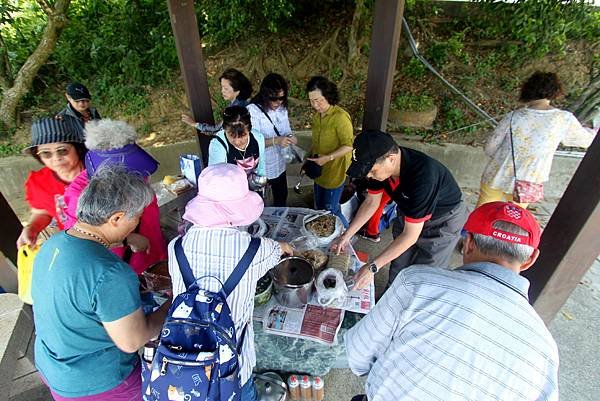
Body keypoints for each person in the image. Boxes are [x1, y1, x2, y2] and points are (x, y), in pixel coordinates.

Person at [345, 201, 559, 401]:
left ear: (468, 243)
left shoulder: (418, 283)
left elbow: (358, 354)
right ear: (531, 259)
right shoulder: (545, 349)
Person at [31, 166, 172, 400]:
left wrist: (125, 240)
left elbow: (79, 294)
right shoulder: (111, 273)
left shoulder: (52, 245)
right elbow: (133, 340)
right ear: (116, 218)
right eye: (136, 217)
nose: (136, 223)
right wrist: (173, 303)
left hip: (55, 369)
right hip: (101, 383)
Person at [168, 163, 293, 400]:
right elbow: (281, 251)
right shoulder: (256, 249)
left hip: (183, 359)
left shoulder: (175, 247)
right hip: (233, 366)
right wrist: (287, 247)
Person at [332, 130, 467, 290]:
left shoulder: (423, 177)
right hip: (409, 211)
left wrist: (373, 267)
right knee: (399, 261)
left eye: (372, 171)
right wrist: (346, 235)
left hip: (443, 219)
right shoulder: (381, 169)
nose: (368, 176)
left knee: (425, 270)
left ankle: (412, 307)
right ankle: (391, 297)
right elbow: (371, 202)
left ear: (391, 159)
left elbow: (410, 236)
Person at [477, 71, 596, 209]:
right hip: (528, 180)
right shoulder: (563, 119)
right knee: (513, 221)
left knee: (481, 214)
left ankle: (474, 231)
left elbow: (489, 147)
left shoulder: (513, 116)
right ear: (555, 92)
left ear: (527, 90)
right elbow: (585, 140)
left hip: (495, 174)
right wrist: (592, 131)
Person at [63, 119, 166, 274]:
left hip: (156, 253)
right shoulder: (81, 195)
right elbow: (80, 243)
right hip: (126, 269)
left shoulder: (137, 173)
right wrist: (128, 239)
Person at [16, 118, 87, 248]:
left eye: (62, 150)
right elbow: (42, 212)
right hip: (75, 244)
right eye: (46, 153)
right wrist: (32, 228)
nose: (56, 158)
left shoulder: (99, 171)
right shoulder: (39, 182)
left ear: (77, 148)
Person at [306, 76, 354, 227]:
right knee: (319, 208)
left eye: (319, 100)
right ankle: (324, 237)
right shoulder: (317, 116)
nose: (315, 105)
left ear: (328, 96)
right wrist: (308, 159)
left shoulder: (340, 117)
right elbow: (316, 142)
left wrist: (328, 157)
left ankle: (347, 237)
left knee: (331, 210)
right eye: (312, 101)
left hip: (334, 170)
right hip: (319, 168)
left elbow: (349, 145)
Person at [247, 73, 298, 206]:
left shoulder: (282, 108)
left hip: (280, 163)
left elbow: (287, 130)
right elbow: (252, 143)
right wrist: (276, 141)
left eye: (281, 98)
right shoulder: (253, 110)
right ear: (265, 94)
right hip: (262, 167)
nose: (277, 102)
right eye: (273, 98)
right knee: (258, 204)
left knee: (281, 198)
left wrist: (291, 138)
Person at [181, 67, 253, 134]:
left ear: (237, 89)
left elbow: (217, 129)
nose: (222, 91)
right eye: (222, 87)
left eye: (226, 88)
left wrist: (194, 124)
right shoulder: (244, 103)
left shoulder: (235, 109)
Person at [208, 105, 266, 179]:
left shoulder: (258, 137)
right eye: (232, 136)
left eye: (243, 136)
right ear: (224, 129)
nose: (238, 142)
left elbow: (261, 168)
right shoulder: (217, 145)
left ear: (249, 129)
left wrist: (261, 181)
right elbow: (216, 178)